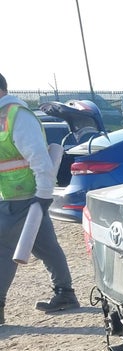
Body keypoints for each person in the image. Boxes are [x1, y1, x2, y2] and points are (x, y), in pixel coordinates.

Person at [0, 72, 79, 326]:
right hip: (20, 195)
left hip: (24, 196)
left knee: (3, 250)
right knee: (45, 246)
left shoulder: (15, 116)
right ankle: (65, 293)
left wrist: (43, 195)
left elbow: (39, 159)